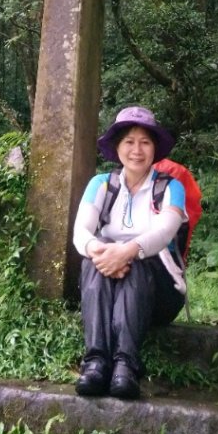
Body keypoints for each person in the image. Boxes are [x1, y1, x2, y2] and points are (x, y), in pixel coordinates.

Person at [72, 105, 188, 400]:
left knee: (138, 261)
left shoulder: (171, 188)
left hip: (160, 293)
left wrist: (127, 251)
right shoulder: (100, 185)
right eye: (129, 141)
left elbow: (163, 232)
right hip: (109, 283)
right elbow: (80, 233)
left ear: (154, 148)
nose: (137, 150)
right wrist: (102, 252)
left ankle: (126, 364)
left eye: (145, 142)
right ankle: (96, 362)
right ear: (117, 147)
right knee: (92, 261)